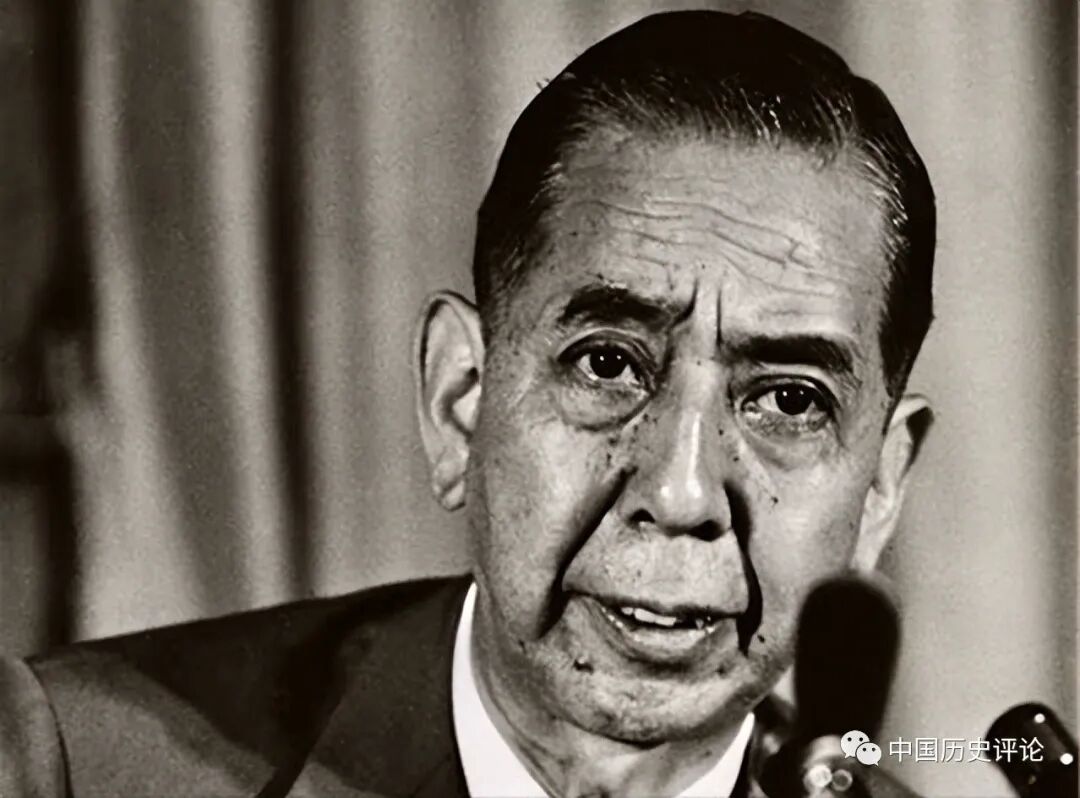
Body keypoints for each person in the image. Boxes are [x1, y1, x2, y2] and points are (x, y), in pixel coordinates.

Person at [0, 10, 934, 797]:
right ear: (460, 400)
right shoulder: (71, 766)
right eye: (607, 363)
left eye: (788, 400)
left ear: (881, 488)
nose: (682, 493)